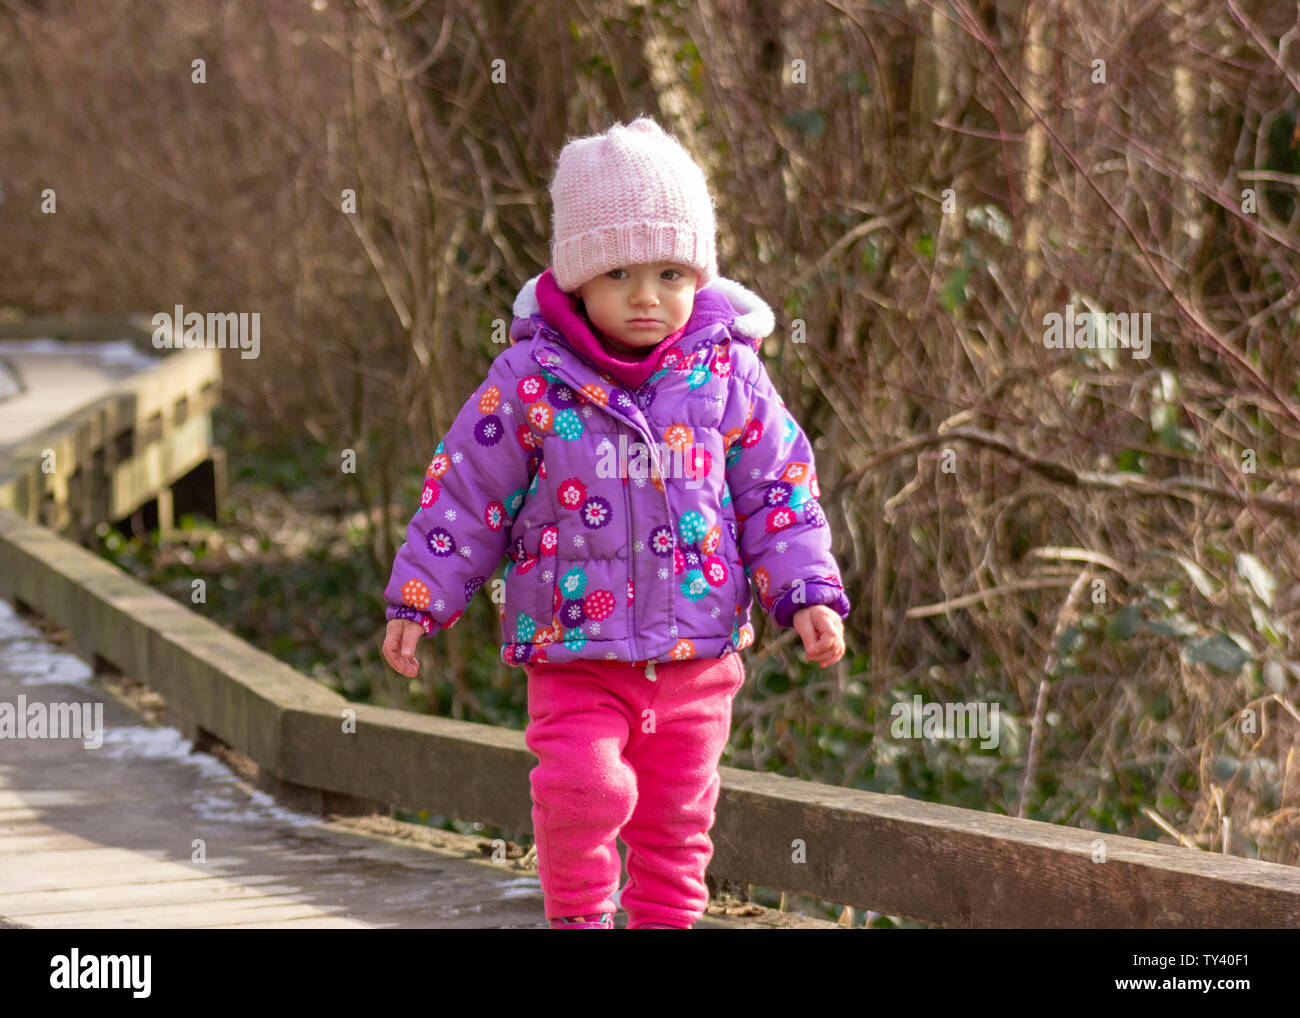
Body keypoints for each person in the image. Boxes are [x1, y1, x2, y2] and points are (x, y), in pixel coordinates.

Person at [381, 116, 849, 929]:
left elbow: (778, 489)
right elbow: (466, 489)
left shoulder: (728, 373)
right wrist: (421, 596)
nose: (646, 296)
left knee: (674, 822)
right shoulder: (532, 378)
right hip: (575, 652)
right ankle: (578, 919)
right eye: (620, 272)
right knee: (584, 789)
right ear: (577, 278)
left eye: (671, 272)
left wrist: (805, 590)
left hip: (694, 655)